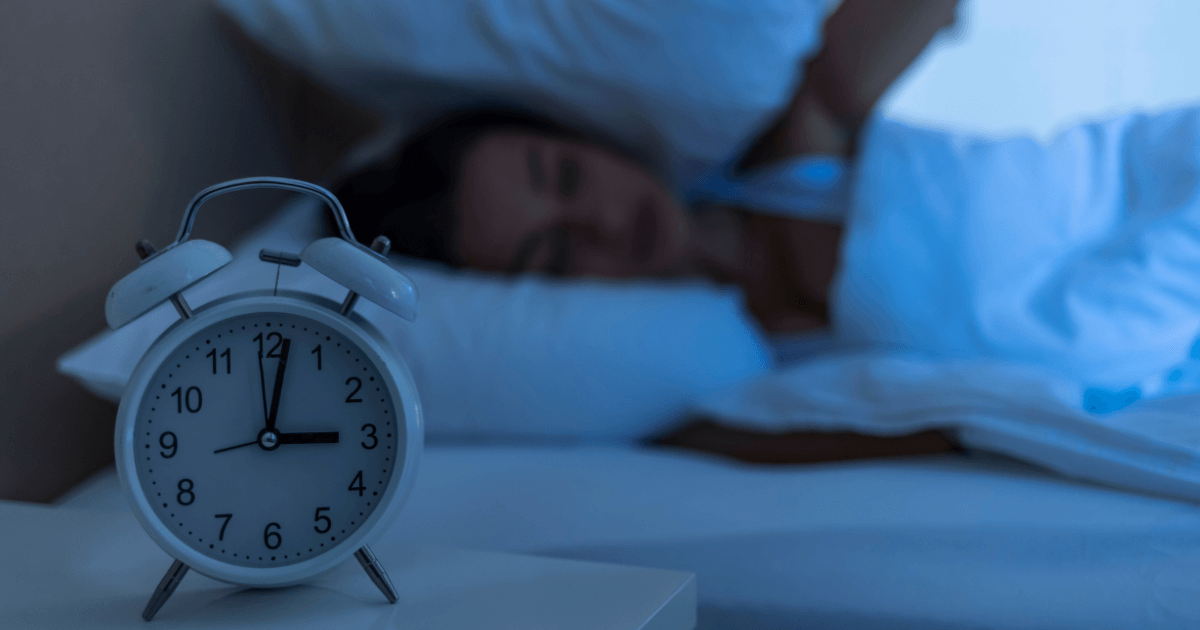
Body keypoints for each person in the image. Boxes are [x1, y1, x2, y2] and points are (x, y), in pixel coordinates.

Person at [334, 0, 965, 463]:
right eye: (555, 253)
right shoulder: (716, 407)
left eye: (569, 176)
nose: (605, 222)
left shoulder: (800, 140)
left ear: (581, 136)